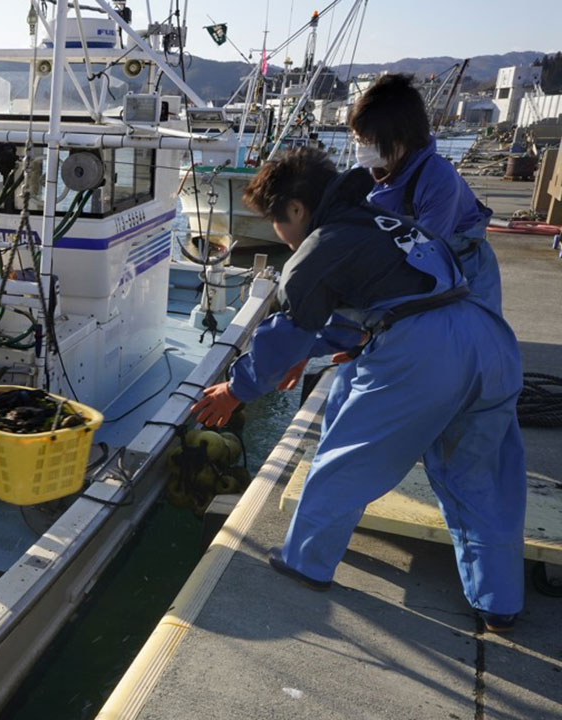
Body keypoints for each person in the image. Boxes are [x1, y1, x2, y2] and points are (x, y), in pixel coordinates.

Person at [190, 149, 527, 631]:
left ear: (296, 209)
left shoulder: (320, 246)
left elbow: (285, 332)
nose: (280, 234)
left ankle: (306, 561)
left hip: (426, 353)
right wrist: (318, 348)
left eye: (275, 221)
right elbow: (377, 302)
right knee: (482, 475)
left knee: (346, 459)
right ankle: (499, 601)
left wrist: (236, 390)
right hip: (487, 337)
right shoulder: (383, 221)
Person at [349, 73, 502, 315]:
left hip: (460, 264)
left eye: (369, 140)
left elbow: (426, 253)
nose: (361, 146)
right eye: (358, 138)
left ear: (402, 138)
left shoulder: (439, 179)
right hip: (403, 255)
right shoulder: (363, 173)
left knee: (465, 340)